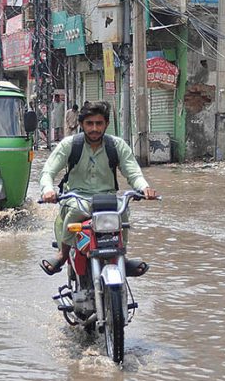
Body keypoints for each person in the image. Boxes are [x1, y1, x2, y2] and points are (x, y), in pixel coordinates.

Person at [38, 101, 159, 275]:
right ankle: (63, 254)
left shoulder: (116, 145)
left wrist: (145, 188)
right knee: (73, 211)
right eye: (89, 123)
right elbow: (48, 171)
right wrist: (48, 190)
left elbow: (133, 173)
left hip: (107, 199)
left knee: (122, 212)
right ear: (81, 124)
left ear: (106, 124)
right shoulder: (69, 144)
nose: (94, 128)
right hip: (76, 197)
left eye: (99, 123)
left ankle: (121, 256)